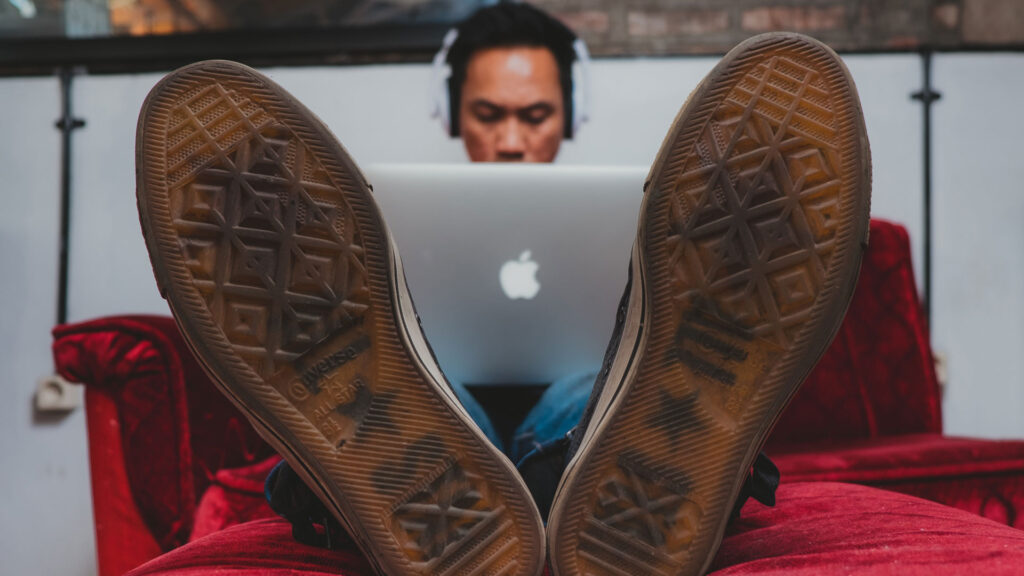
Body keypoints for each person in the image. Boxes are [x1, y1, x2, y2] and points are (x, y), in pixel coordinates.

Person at [134, 5, 871, 575]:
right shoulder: (381, 216)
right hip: (444, 395)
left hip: (584, 395)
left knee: (590, 387)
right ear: (451, 111)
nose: (512, 138)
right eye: (489, 115)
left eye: (534, 115)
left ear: (571, 116)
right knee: (441, 389)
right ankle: (583, 483)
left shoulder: (645, 212)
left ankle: (400, 493)